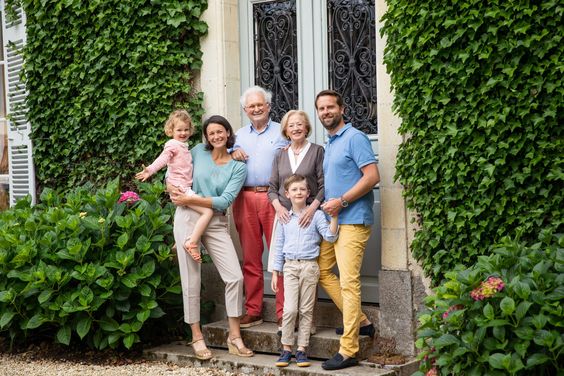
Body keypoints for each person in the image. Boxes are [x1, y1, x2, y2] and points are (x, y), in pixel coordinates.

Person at [168, 115, 253, 360]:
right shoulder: (196, 151)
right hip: (186, 217)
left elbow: (225, 200)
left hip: (215, 221)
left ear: (228, 133)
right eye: (211, 133)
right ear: (206, 136)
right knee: (191, 279)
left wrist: (190, 199)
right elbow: (175, 171)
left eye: (220, 132)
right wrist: (171, 188)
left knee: (235, 277)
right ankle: (196, 336)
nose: (216, 136)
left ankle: (234, 337)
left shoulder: (238, 166)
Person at [316, 90, 380, 370]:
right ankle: (362, 323)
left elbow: (372, 177)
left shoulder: (355, 138)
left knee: (348, 283)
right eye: (321, 108)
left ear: (341, 109)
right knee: (322, 270)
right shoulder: (330, 143)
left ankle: (349, 349)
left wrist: (341, 201)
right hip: (334, 222)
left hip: (352, 219)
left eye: (330, 107)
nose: (325, 112)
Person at [231, 86, 288, 328]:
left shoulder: (281, 131)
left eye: (260, 104)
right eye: (251, 106)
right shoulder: (238, 135)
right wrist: (232, 152)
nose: (256, 109)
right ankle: (253, 309)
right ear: (245, 110)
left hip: (274, 198)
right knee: (250, 257)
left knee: (279, 255)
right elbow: (222, 156)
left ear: (268, 106)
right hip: (244, 197)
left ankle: (284, 312)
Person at [271, 174, 338, 368]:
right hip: (290, 266)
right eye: (294, 190)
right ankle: (286, 348)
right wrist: (276, 272)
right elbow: (279, 246)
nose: (298, 192)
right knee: (290, 309)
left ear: (308, 193)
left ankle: (302, 350)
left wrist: (334, 216)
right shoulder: (284, 216)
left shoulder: (316, 216)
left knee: (306, 309)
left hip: (310, 267)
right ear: (287, 194)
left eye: (302, 189)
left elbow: (330, 237)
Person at [267, 109, 325, 333]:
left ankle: (308, 322)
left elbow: (323, 185)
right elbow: (271, 188)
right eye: (291, 125)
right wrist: (279, 207)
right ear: (285, 130)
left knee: (308, 269)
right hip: (284, 218)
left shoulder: (318, 151)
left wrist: (313, 208)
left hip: (308, 217)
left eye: (300, 124)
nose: (296, 128)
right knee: (283, 268)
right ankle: (285, 319)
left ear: (307, 127)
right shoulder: (280, 155)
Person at [136, 110, 213, 263]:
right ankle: (191, 242)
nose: (183, 133)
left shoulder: (184, 146)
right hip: (180, 188)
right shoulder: (173, 145)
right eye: (179, 130)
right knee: (207, 211)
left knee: (192, 215)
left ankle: (178, 243)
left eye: (186, 129)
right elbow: (163, 159)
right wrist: (150, 170)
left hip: (183, 188)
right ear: (171, 131)